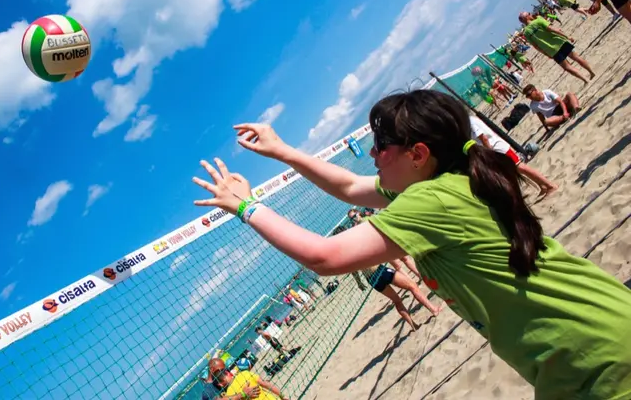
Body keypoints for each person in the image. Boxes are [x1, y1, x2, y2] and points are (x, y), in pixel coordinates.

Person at [193, 89, 631, 399]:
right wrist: (284, 151)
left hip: (591, 359)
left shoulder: (429, 198)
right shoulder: (450, 182)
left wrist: (246, 206)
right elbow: (347, 185)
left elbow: (324, 257)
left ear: (418, 154)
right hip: (595, 334)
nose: (371, 154)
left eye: (380, 145)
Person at [469, 115, 558, 199]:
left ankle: (550, 185)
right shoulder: (471, 120)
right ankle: (542, 185)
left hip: (498, 148)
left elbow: (484, 138)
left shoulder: (470, 122)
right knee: (517, 169)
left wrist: (490, 153)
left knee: (520, 167)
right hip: (497, 147)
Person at [518, 11, 595, 85]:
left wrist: (546, 54)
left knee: (567, 67)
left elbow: (536, 46)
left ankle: (585, 79)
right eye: (529, 13)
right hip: (560, 41)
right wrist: (567, 36)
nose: (531, 14)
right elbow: (552, 29)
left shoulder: (526, 33)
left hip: (551, 50)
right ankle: (591, 72)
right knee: (576, 58)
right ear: (527, 17)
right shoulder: (538, 20)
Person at [360, 262, 441, 330]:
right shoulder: (359, 244)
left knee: (397, 300)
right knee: (412, 286)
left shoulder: (348, 252)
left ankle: (413, 326)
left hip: (371, 279)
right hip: (380, 271)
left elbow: (353, 271)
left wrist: (359, 283)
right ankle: (433, 309)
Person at [219, 362, 288, 400]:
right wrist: (282, 396)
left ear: (220, 385)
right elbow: (266, 384)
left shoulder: (229, 395)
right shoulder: (244, 374)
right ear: (228, 373)